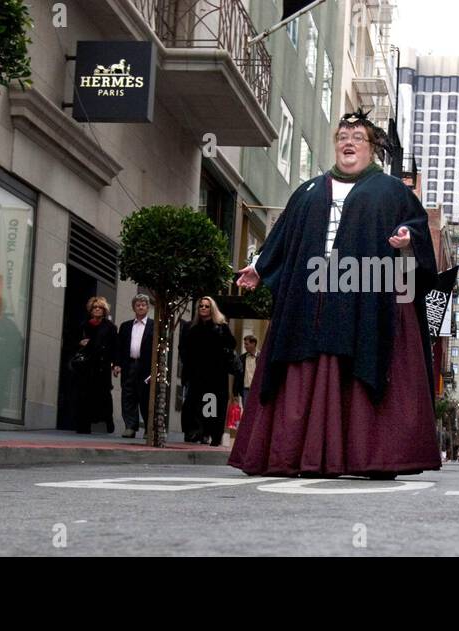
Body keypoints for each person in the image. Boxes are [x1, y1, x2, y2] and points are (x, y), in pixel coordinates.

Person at [229, 109, 440, 479]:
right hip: (310, 297)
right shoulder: (310, 189)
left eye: (358, 137)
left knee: (360, 367)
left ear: (372, 147)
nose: (348, 142)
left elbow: (417, 227)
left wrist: (408, 238)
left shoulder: (390, 190)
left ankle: (366, 456)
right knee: (303, 365)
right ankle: (296, 453)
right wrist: (260, 266)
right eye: (343, 136)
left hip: (366, 295)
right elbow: (283, 238)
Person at [180, 296, 235, 446]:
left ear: (212, 308)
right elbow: (183, 349)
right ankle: (195, 431)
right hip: (195, 374)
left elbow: (231, 344)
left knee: (211, 406)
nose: (203, 308)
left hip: (215, 375)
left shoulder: (221, 326)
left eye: (206, 306)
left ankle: (210, 433)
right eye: (201, 306)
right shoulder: (191, 327)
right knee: (193, 404)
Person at [74, 296, 116, 435]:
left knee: (104, 395)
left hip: (102, 366)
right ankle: (83, 426)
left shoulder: (110, 327)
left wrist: (115, 364)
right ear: (90, 310)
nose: (97, 309)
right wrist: (80, 343)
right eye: (94, 307)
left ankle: (107, 423)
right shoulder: (83, 325)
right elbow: (71, 341)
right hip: (86, 366)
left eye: (100, 308)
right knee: (83, 395)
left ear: (104, 311)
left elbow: (114, 346)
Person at [114, 294, 154, 439]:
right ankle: (130, 427)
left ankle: (149, 429)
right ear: (133, 308)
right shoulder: (125, 326)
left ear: (148, 307)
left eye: (143, 304)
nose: (141, 307)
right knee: (128, 396)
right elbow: (119, 347)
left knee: (145, 397)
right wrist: (117, 364)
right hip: (129, 365)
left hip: (146, 367)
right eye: (138, 305)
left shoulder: (154, 326)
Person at [232, 334, 259, 405]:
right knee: (246, 413)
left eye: (247, 344)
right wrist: (235, 393)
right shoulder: (241, 358)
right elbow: (237, 376)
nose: (245, 346)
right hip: (245, 390)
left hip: (257, 390)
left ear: (253, 344)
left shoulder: (261, 358)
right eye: (244, 344)